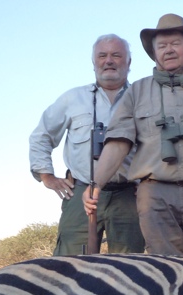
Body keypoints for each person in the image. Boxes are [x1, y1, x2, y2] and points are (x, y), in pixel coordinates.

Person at [83, 14, 183, 256]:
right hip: (155, 196)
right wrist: (96, 184)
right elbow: (117, 144)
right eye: (161, 46)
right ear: (154, 53)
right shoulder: (136, 91)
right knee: (165, 270)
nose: (168, 50)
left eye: (174, 44)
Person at [29, 34, 145, 255]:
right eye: (102, 56)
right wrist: (46, 176)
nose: (108, 61)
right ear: (94, 62)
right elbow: (41, 135)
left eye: (116, 55)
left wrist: (149, 181)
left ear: (129, 62)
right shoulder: (73, 98)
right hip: (81, 191)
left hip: (129, 195)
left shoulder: (143, 98)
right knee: (70, 265)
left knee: (129, 266)